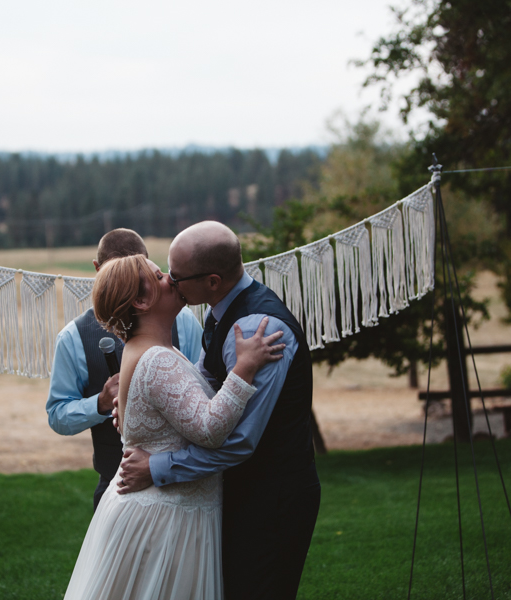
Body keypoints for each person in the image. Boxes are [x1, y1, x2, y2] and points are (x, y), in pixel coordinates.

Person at [117, 221, 321, 600]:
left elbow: (240, 441)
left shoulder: (258, 331)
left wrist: (157, 468)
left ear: (212, 281)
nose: (171, 284)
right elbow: (203, 390)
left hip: (273, 498)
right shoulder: (218, 314)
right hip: (238, 494)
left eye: (176, 278)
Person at [63, 254, 285, 600]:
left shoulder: (152, 350)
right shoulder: (157, 358)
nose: (172, 279)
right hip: (166, 520)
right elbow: (210, 429)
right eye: (160, 276)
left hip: (167, 510)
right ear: (141, 300)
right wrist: (244, 369)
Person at [45, 229, 202, 510]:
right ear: (98, 270)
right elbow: (57, 415)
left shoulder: (185, 321)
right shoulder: (72, 337)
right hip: (114, 488)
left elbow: (200, 391)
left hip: (185, 481)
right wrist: (101, 403)